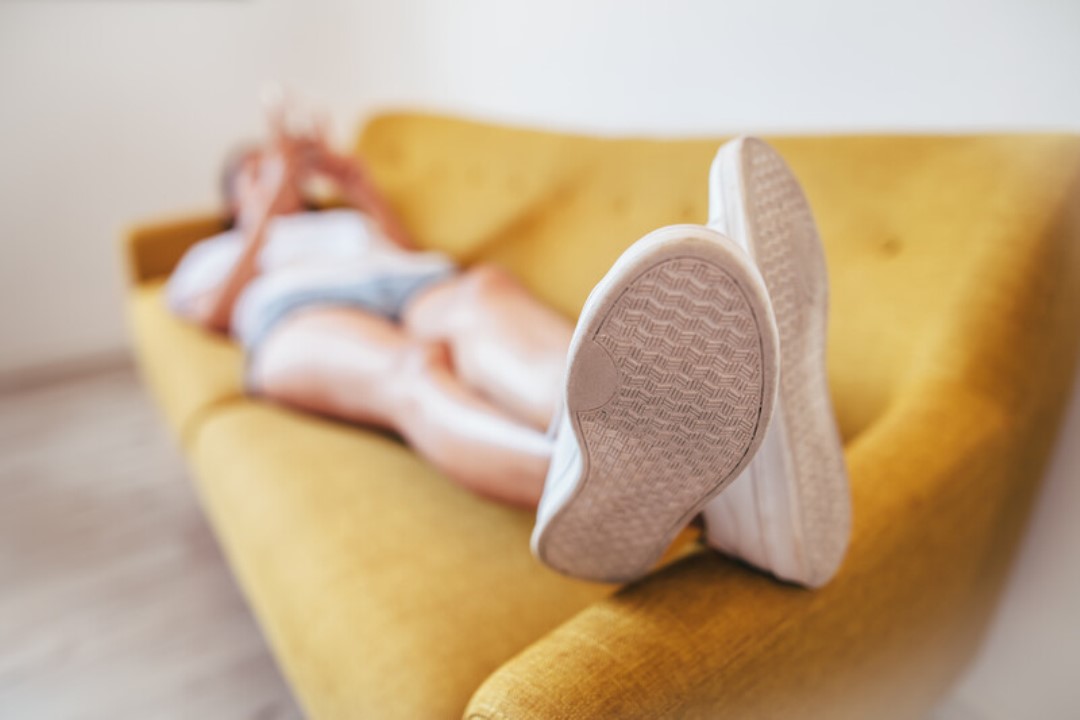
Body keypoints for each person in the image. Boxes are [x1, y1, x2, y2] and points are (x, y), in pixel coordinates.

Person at [168, 111, 851, 587]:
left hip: (407, 285)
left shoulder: (345, 222)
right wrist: (259, 218)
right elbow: (214, 316)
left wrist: (354, 185)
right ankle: (652, 489)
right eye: (255, 173)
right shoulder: (214, 252)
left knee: (482, 293)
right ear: (231, 201)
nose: (279, 175)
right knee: (412, 371)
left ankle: (652, 436)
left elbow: (406, 254)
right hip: (298, 315)